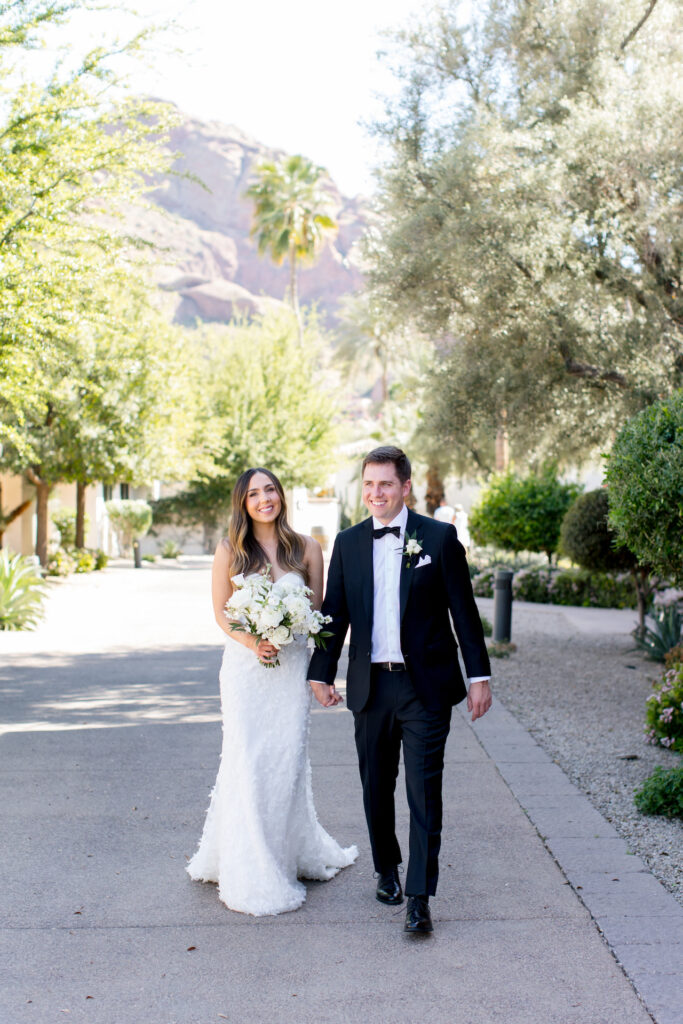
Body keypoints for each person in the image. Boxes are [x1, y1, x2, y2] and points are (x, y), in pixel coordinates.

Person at [308, 446, 491, 934]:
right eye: (369, 485)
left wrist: (479, 677)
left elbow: (464, 612)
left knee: (424, 793)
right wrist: (320, 673)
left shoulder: (439, 537)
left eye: (385, 484)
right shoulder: (347, 544)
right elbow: (335, 616)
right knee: (376, 788)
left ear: (405, 486)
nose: (376, 494)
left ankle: (419, 896)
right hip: (371, 686)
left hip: (425, 687)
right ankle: (386, 869)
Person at [187, 468, 357, 916]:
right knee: (247, 759)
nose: (265, 499)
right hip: (246, 669)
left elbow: (317, 615)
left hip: (289, 672)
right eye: (255, 493)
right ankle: (250, 864)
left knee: (284, 761)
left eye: (271, 490)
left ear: (281, 495)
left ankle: (284, 853)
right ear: (242, 503)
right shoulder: (230, 550)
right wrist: (253, 641)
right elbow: (222, 615)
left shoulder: (309, 548)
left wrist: (300, 643)